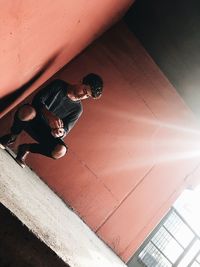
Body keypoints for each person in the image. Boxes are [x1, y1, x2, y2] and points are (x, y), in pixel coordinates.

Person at [0, 73, 103, 167]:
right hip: (33, 119)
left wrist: (59, 132)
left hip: (46, 132)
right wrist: (49, 115)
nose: (82, 96)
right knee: (28, 111)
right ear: (81, 81)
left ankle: (26, 148)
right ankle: (11, 136)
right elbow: (37, 99)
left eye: (87, 96)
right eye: (84, 90)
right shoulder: (58, 85)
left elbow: (65, 131)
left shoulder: (78, 109)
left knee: (60, 151)